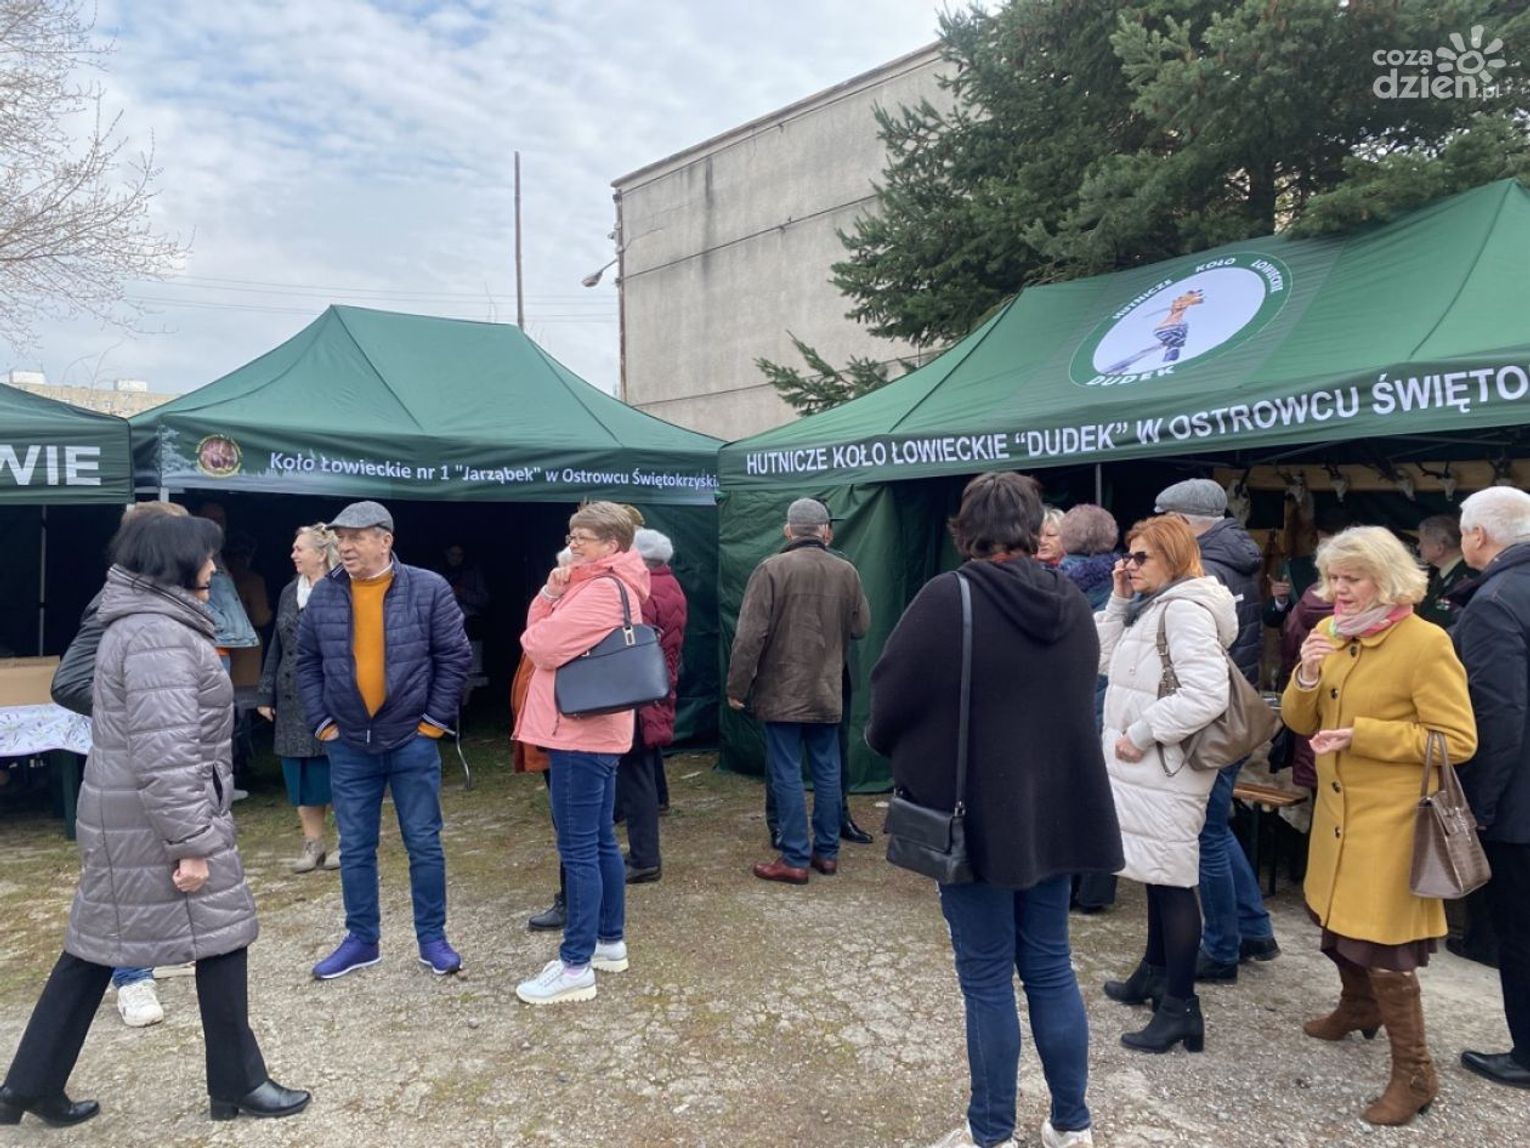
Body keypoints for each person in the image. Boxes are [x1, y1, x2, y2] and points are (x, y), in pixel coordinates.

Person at [0, 513, 309, 1127]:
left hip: (132, 815)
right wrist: (190, 843)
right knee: (222, 938)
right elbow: (165, 753)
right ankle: (239, 1083)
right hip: (159, 818)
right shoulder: (157, 635)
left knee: (96, 946)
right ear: (175, 562)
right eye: (206, 556)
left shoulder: (147, 623)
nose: (214, 567)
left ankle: (27, 1087)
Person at [869, 472, 1121, 1148]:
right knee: (1051, 967)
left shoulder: (949, 596)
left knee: (986, 977)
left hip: (976, 814)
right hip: (1058, 812)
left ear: (966, 528)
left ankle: (991, 1134)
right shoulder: (1072, 601)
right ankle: (1071, 1125)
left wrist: (894, 749)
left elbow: (890, 697)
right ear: (1036, 527)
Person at [1281, 525, 1477, 1126]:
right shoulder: (1328, 634)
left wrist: (1363, 736)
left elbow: (1457, 739)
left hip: (1392, 822)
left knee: (1385, 946)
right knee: (1335, 922)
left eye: (1353, 579)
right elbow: (1298, 719)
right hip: (1337, 815)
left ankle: (1415, 1074)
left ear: (1387, 581)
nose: (1338, 590)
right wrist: (1306, 676)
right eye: (1333, 578)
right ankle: (1357, 1007)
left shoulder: (1424, 643)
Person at [296, 501, 470, 980]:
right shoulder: (325, 595)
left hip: (412, 739)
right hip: (349, 742)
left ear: (385, 540)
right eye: (340, 539)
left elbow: (454, 657)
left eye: (356, 538)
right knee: (354, 847)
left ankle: (432, 938)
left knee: (424, 843)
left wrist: (432, 724)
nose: (345, 547)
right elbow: (306, 661)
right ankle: (362, 940)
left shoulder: (428, 588)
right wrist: (323, 723)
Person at [49, 499, 192, 1030]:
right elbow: (68, 682)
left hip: (167, 759)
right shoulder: (114, 601)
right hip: (128, 765)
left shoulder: (168, 596)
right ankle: (132, 979)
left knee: (171, 860)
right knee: (124, 870)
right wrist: (143, 711)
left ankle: (156, 952)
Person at [1096, 514, 1237, 1054]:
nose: (1130, 566)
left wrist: (1142, 732)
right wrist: (1117, 599)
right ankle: (1154, 973)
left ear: (1174, 558)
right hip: (1151, 770)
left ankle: (1181, 1006)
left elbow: (1206, 694)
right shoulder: (1154, 605)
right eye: (1128, 555)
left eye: (1142, 557)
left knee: (1174, 881)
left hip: (1166, 767)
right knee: (1155, 874)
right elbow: (1104, 660)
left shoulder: (1184, 610)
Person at [512, 502, 650, 1005]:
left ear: (612, 544)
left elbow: (539, 646)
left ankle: (575, 965)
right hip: (592, 730)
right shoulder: (607, 584)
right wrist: (554, 591)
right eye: (572, 534)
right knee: (599, 842)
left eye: (583, 537)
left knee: (578, 849)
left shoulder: (601, 591)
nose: (573, 542)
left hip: (578, 732)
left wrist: (548, 598)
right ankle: (609, 943)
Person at [1154, 478, 1278, 979]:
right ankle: (1253, 929)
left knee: (1204, 833)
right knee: (1216, 827)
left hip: (1210, 720)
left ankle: (1222, 948)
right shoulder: (1233, 557)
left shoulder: (1206, 569)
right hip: (1227, 714)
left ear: (1182, 522)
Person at [728, 498, 870, 885]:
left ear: (788, 531)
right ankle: (827, 852)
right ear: (825, 531)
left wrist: (737, 686)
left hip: (782, 690)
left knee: (786, 770)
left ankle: (793, 856)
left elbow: (749, 636)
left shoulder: (771, 569)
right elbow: (861, 627)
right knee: (828, 769)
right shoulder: (846, 570)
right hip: (827, 686)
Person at [1451, 488, 1530, 1090]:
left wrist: (1478, 805)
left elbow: (1498, 713)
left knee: (1520, 932)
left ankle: (1527, 1053)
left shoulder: (1495, 600)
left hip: (1519, 801)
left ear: (1478, 536)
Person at [258, 524, 342, 873]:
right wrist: (266, 692)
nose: (293, 554)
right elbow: (276, 644)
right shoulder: (289, 591)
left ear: (321, 554)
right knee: (301, 775)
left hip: (329, 695)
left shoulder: (342, 589)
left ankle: (348, 841)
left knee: (336, 771)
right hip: (292, 697)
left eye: (299, 549)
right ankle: (313, 845)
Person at [1058, 503, 1122, 915]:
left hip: (1070, 695)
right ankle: (1097, 889)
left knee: (1067, 792)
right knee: (1103, 794)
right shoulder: (1125, 582)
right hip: (1111, 694)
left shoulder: (1058, 584)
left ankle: (1066, 883)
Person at [617, 528, 688, 884]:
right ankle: (643, 854)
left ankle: (644, 857)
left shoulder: (641, 591)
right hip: (660, 685)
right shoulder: (670, 584)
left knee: (636, 775)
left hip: (639, 692)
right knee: (642, 768)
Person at [516, 547, 573, 933]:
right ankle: (577, 900)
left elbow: (537, 644)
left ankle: (575, 902)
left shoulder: (578, 610)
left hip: (566, 729)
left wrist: (549, 599)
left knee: (573, 824)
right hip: (554, 728)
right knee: (569, 821)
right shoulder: (564, 605)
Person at [1417, 514, 1470, 630]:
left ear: (1439, 548)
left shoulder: (1465, 579)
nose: (1418, 547)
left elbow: (1440, 618)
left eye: (1422, 542)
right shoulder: (1445, 572)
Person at [440, 543, 490, 640]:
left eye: (460, 555)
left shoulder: (473, 572)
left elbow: (484, 600)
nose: (456, 558)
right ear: (446, 553)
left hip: (470, 624)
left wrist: (461, 591)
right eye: (452, 554)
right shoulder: (436, 572)